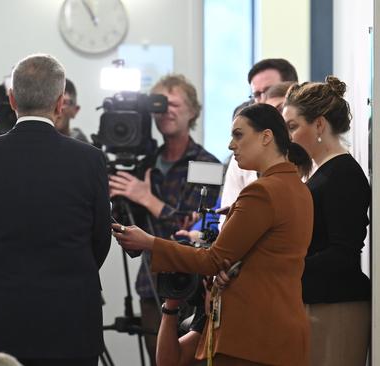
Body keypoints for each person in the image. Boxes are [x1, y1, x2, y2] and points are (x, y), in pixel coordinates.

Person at [114, 103, 313, 365]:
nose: (231, 145)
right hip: (285, 331)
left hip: (251, 337)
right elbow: (265, 257)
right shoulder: (298, 189)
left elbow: (213, 260)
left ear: (266, 136)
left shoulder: (262, 192)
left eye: (238, 135)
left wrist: (149, 242)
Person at [0, 53, 111, 365]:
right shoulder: (89, 160)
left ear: (12, 100)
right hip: (69, 315)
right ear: (59, 103)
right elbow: (100, 241)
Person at [108, 74, 220, 364]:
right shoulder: (143, 166)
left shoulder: (207, 165)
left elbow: (195, 230)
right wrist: (116, 206)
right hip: (151, 285)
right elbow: (132, 244)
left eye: (175, 104)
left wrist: (147, 199)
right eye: (159, 105)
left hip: (193, 287)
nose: (166, 111)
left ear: (193, 111)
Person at [284, 76, 371, 366]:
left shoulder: (342, 175)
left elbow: (343, 252)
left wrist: (286, 266)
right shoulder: (324, 173)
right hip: (320, 299)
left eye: (293, 127)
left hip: (338, 304)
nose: (289, 137)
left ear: (319, 125)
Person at [220, 59, 299, 227]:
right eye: (257, 95)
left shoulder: (305, 150)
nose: (263, 101)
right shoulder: (240, 156)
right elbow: (225, 219)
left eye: (270, 92)